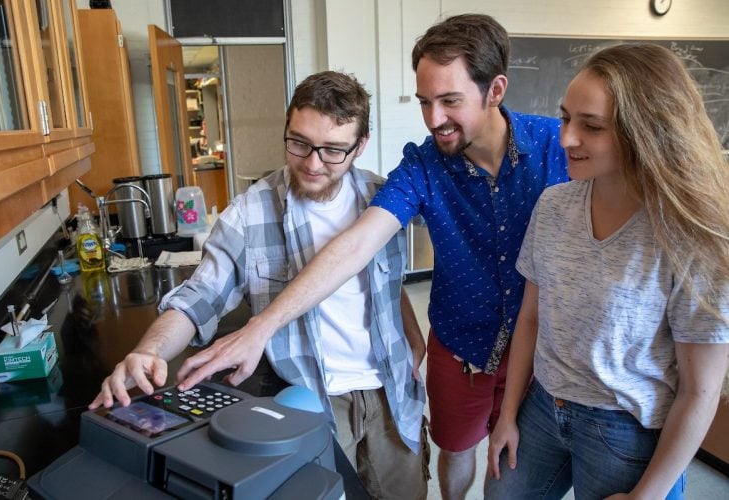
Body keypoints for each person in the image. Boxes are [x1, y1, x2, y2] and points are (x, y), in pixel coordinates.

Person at [168, 14, 568, 499]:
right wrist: (261, 327)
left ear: (495, 90)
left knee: (515, 478)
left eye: (449, 101)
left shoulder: (560, 148)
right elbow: (355, 247)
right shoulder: (423, 166)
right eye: (424, 101)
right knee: (455, 453)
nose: (433, 119)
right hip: (462, 346)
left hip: (546, 349)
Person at [90, 71, 430, 500]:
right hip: (310, 402)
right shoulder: (249, 213)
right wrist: (149, 350)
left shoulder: (384, 201)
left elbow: (388, 284)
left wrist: (414, 338)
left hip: (392, 392)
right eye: (299, 142)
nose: (312, 163)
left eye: (333, 151)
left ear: (359, 146)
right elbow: (199, 299)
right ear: (286, 127)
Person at [485, 43, 729, 500]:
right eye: (565, 118)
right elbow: (531, 319)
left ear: (647, 132)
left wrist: (647, 494)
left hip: (627, 430)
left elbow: (700, 391)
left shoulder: (692, 235)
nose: (566, 139)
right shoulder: (554, 205)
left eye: (591, 126)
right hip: (542, 405)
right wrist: (508, 415)